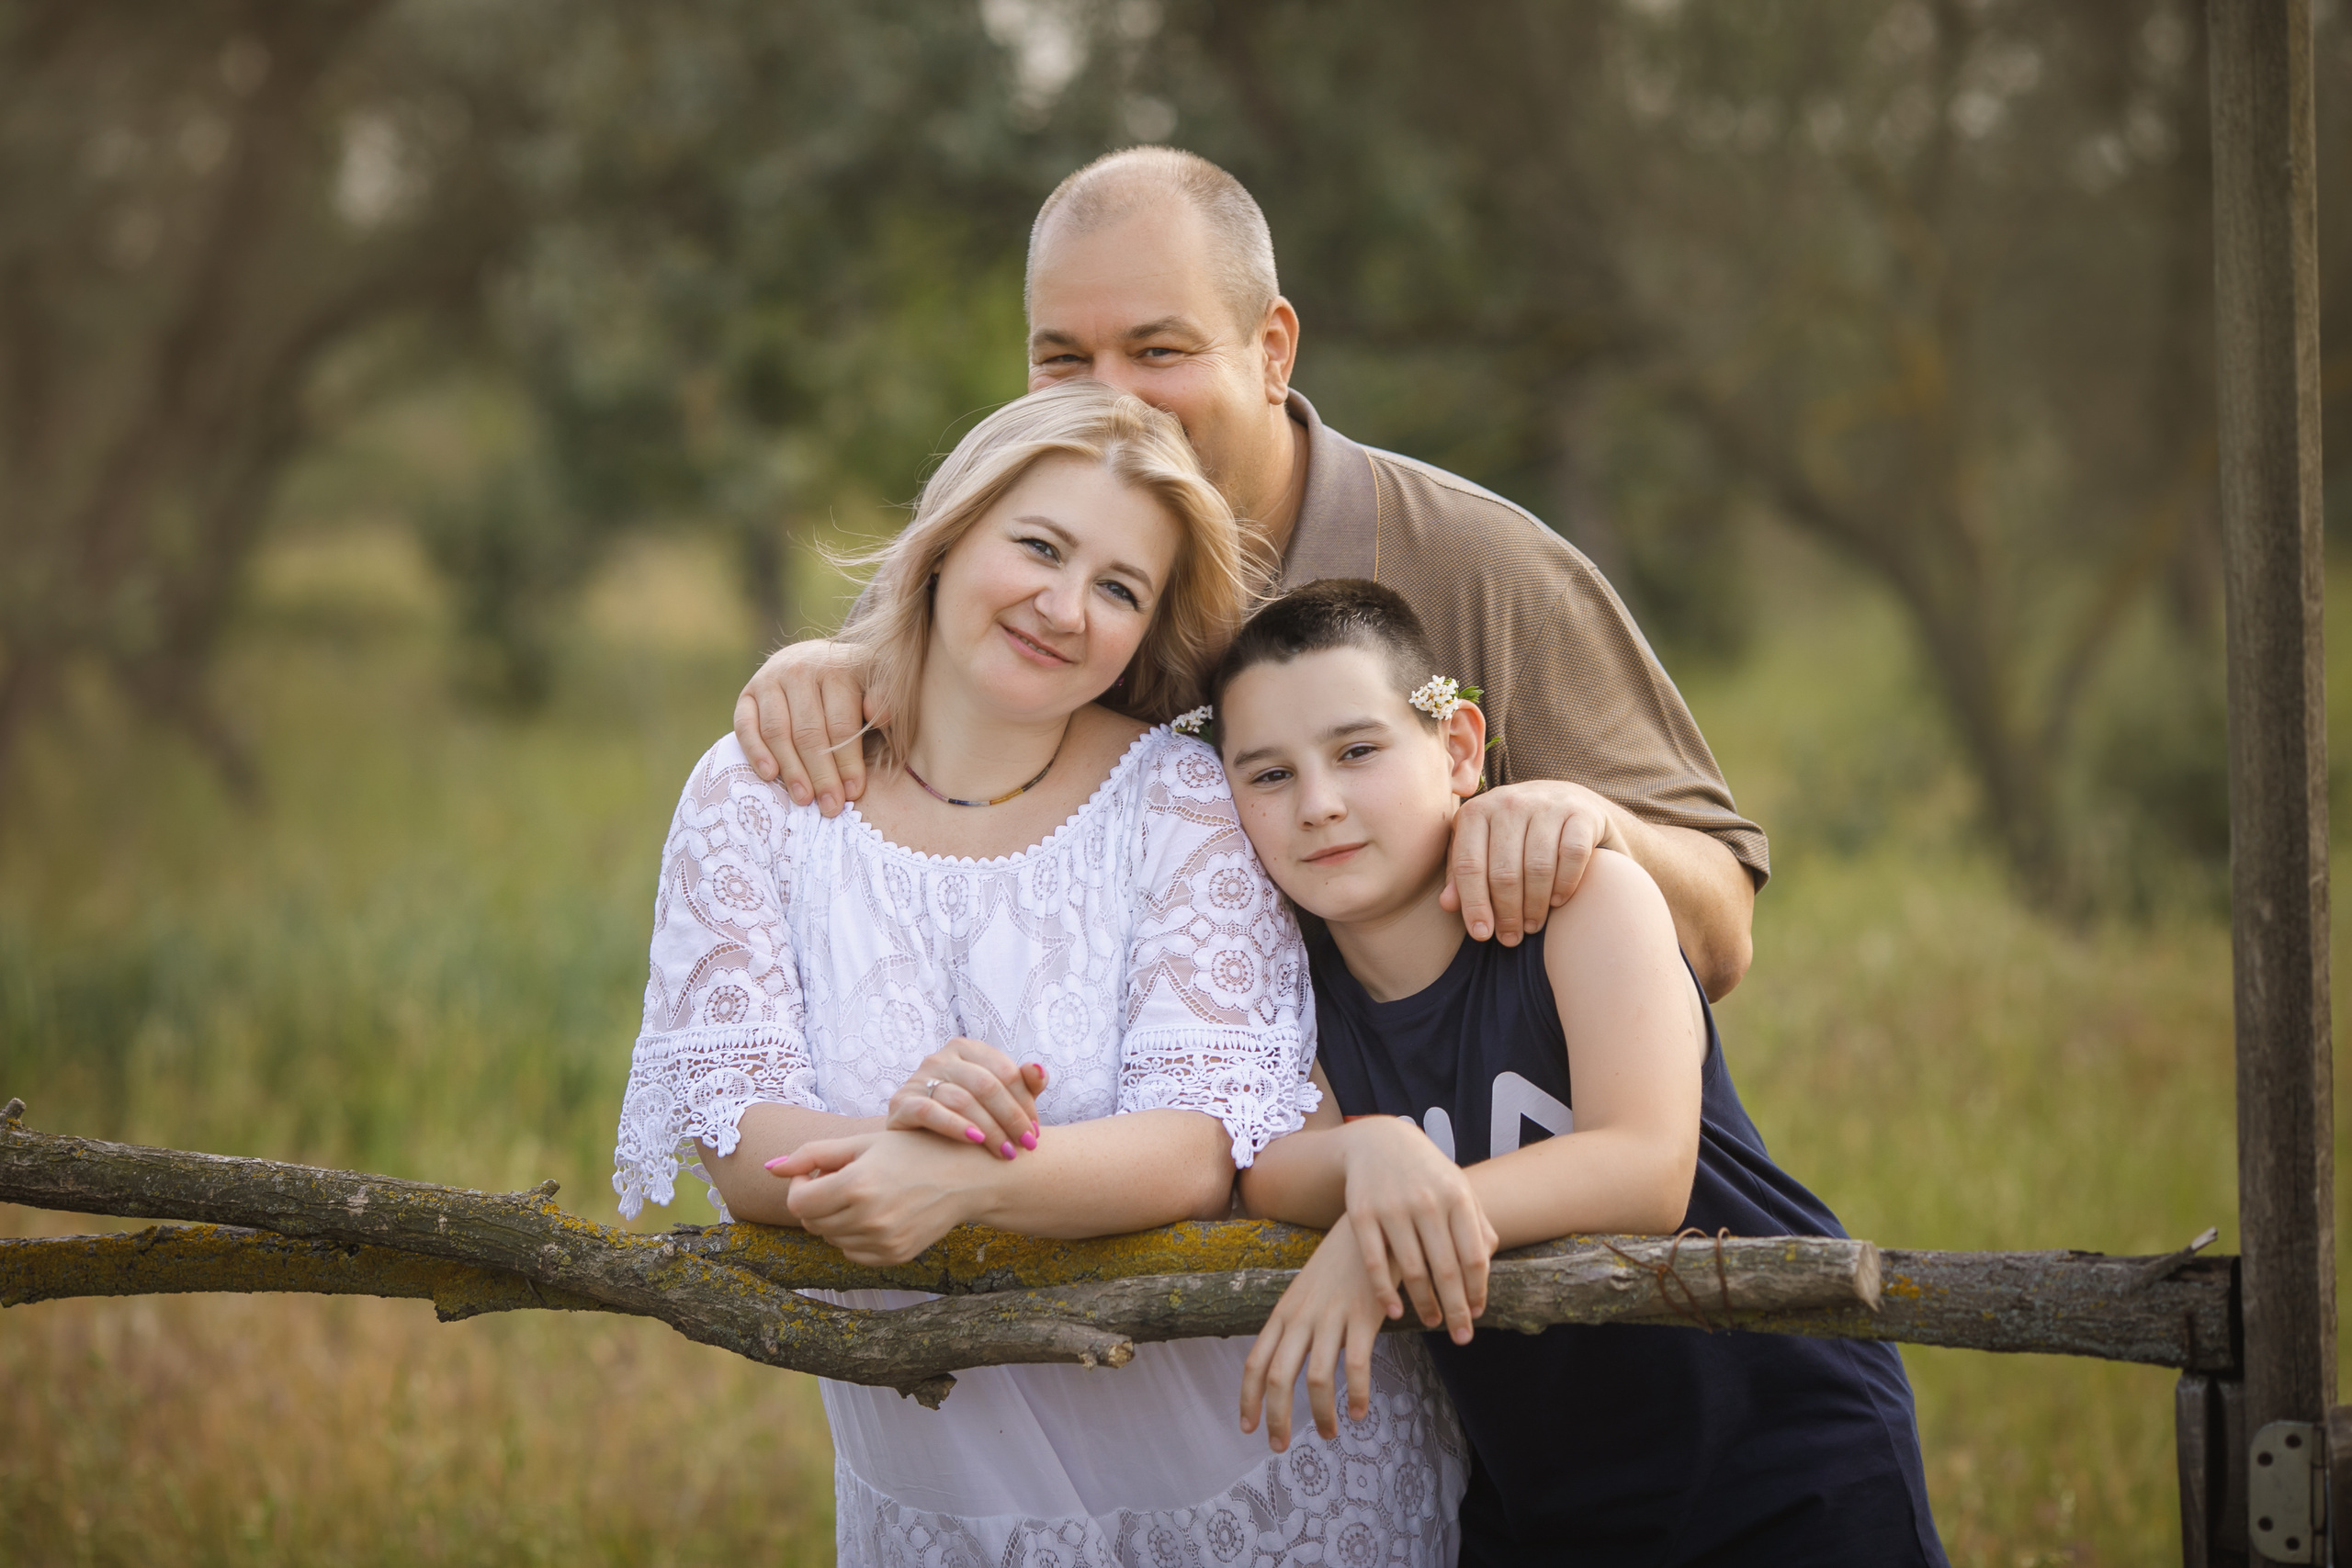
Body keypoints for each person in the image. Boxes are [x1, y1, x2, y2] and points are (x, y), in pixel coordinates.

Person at [611, 385, 1466, 1566]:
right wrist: (902, 1134)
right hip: (952, 1502)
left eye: (1120, 588)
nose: (1065, 608)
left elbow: (1201, 1143)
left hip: (1252, 1482)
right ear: (951, 533)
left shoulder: (1180, 803)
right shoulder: (754, 794)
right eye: (1038, 546)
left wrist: (962, 1179)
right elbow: (734, 1129)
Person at [729, 146, 1764, 1003]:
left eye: (1158, 349)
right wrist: (821, 674)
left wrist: (1585, 827)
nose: (1115, 401)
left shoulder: (1488, 570)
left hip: (1470, 1178)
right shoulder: (994, 578)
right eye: (1062, 360)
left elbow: (1719, 937)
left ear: (1272, 351)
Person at [1212, 581, 1946, 1566]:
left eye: (1357, 751)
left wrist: (1372, 1237)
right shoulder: (1290, 988)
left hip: (1775, 1446)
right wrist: (1370, 1158)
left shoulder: (1582, 901)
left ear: (1459, 750)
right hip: (1542, 1490)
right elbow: (1271, 1168)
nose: (1319, 805)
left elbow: (1642, 1168)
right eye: (1267, 776)